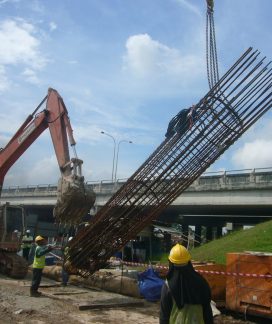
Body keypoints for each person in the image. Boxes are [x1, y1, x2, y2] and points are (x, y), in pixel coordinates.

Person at [160, 244, 213, 324]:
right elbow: (207, 313)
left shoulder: (168, 286)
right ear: (188, 262)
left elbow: (164, 316)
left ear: (170, 263)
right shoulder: (201, 283)